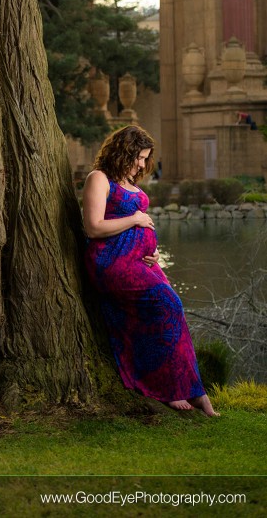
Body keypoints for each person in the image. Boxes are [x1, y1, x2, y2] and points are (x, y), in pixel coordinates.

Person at [82, 125, 219, 417]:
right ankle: (166, 388)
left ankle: (196, 391)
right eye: (139, 157)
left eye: (145, 158)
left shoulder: (127, 180)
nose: (142, 164)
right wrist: (135, 220)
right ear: (124, 152)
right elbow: (93, 228)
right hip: (112, 263)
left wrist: (149, 250)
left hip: (142, 262)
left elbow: (138, 224)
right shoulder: (99, 179)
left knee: (175, 311)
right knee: (169, 305)